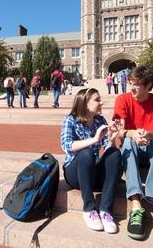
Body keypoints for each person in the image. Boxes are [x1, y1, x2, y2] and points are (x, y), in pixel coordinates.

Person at [113, 66, 153, 244]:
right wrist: (133, 134)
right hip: (131, 144)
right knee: (126, 141)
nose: (131, 88)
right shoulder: (122, 99)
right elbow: (120, 131)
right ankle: (136, 204)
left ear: (148, 85)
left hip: (150, 145)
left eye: (137, 85)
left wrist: (149, 135)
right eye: (130, 83)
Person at [61, 88, 123, 233]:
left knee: (114, 153)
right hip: (74, 173)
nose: (101, 102)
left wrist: (112, 140)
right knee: (86, 153)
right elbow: (67, 145)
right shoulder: (70, 120)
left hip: (93, 172)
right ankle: (89, 209)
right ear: (84, 103)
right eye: (97, 100)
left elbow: (107, 149)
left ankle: (105, 211)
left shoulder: (100, 120)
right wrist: (94, 139)